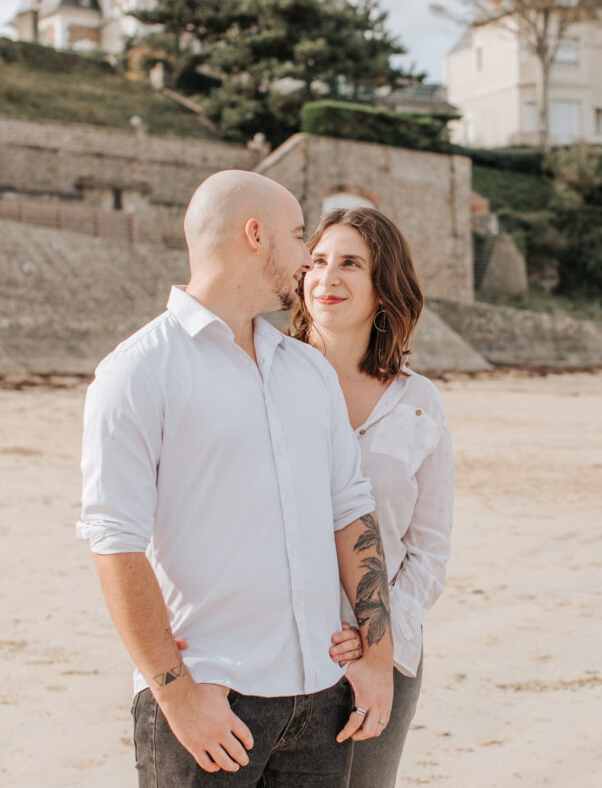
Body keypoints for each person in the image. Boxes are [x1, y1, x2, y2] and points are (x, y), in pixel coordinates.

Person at [78, 170, 394, 788]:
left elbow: (351, 510)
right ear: (255, 235)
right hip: (212, 705)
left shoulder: (308, 371)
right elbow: (113, 541)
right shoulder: (138, 372)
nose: (308, 259)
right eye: (300, 238)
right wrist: (175, 695)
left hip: (324, 700)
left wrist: (377, 659)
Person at [289, 207, 454, 788]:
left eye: (351, 264)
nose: (327, 278)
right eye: (318, 261)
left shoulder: (419, 402)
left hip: (388, 654)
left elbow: (429, 550)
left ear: (385, 288)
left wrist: (376, 640)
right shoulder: (266, 379)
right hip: (279, 647)